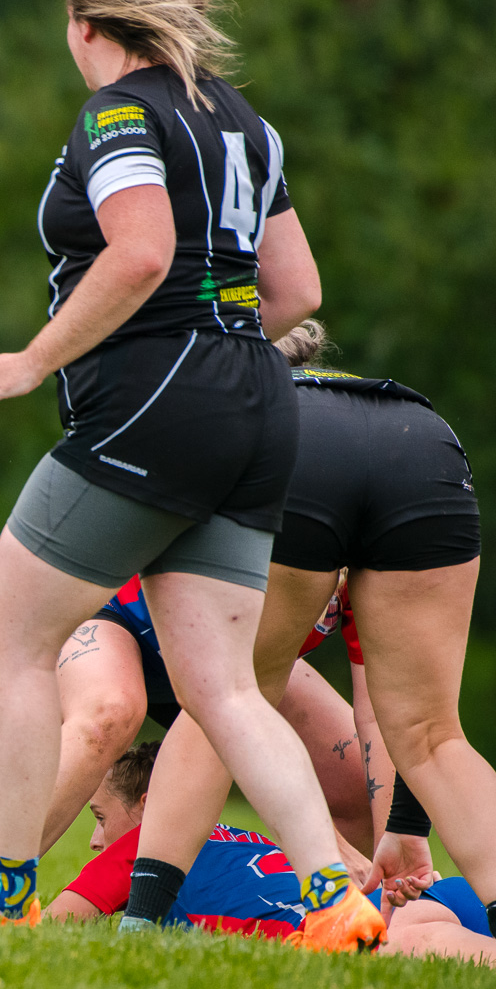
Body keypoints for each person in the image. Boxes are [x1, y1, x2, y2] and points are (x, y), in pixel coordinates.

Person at [0, 0, 383, 949]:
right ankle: (336, 898)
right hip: (261, 404)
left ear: (87, 23)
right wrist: (218, 339)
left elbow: (143, 251)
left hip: (159, 407)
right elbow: (297, 292)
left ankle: (1, 891)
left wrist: (32, 362)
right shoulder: (247, 123)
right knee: (223, 687)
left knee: (15, 642)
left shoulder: (117, 114)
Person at [123, 319, 496, 941]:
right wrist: (404, 826)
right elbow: (380, 708)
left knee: (227, 696)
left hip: (299, 449)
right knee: (433, 735)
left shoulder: (211, 412)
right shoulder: (342, 392)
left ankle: (139, 921)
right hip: (425, 441)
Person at [0, 568, 391, 862]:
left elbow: (380, 720)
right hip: (118, 617)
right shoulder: (256, 488)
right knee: (108, 713)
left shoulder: (378, 571)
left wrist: (403, 848)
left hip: (227, 662)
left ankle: (342, 914)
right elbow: (105, 509)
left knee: (354, 780)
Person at [47, 743, 496, 967]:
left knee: (420, 948)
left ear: (150, 805)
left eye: (101, 816)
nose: (95, 839)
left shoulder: (142, 847)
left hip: (369, 937)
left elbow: (54, 924)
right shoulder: (245, 838)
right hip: (434, 898)